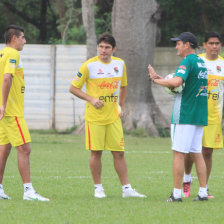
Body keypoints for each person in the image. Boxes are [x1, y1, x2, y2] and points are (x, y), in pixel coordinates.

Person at [69, 33, 146, 198]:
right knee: (96, 153)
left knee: (119, 153)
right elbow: (73, 88)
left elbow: (124, 87)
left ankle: (127, 190)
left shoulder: (120, 64)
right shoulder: (88, 66)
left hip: (113, 118)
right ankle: (98, 188)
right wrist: (91, 98)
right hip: (95, 118)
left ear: (114, 49)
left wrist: (121, 106)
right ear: (97, 47)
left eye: (107, 48)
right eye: (101, 47)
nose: (103, 50)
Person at [148, 32, 208, 202]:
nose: (176, 46)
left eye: (178, 43)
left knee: (178, 154)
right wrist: (163, 79)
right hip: (199, 115)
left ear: (187, 45)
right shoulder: (201, 62)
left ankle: (176, 194)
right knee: (197, 153)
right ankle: (203, 192)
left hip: (185, 115)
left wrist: (155, 80)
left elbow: (176, 83)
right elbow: (183, 83)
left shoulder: (187, 61)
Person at [0, 25, 49, 201]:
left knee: (4, 149)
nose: (25, 41)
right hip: (12, 111)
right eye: (23, 37)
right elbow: (7, 78)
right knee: (25, 149)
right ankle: (28, 191)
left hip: (6, 112)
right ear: (14, 38)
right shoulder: (13, 54)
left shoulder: (2, 53)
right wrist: (4, 105)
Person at [183, 32, 224, 199]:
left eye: (217, 43)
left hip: (214, 115)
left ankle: (203, 189)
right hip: (195, 112)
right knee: (190, 150)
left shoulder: (223, 64)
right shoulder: (197, 61)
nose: (214, 46)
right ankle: (186, 180)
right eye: (211, 43)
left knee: (207, 151)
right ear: (204, 44)